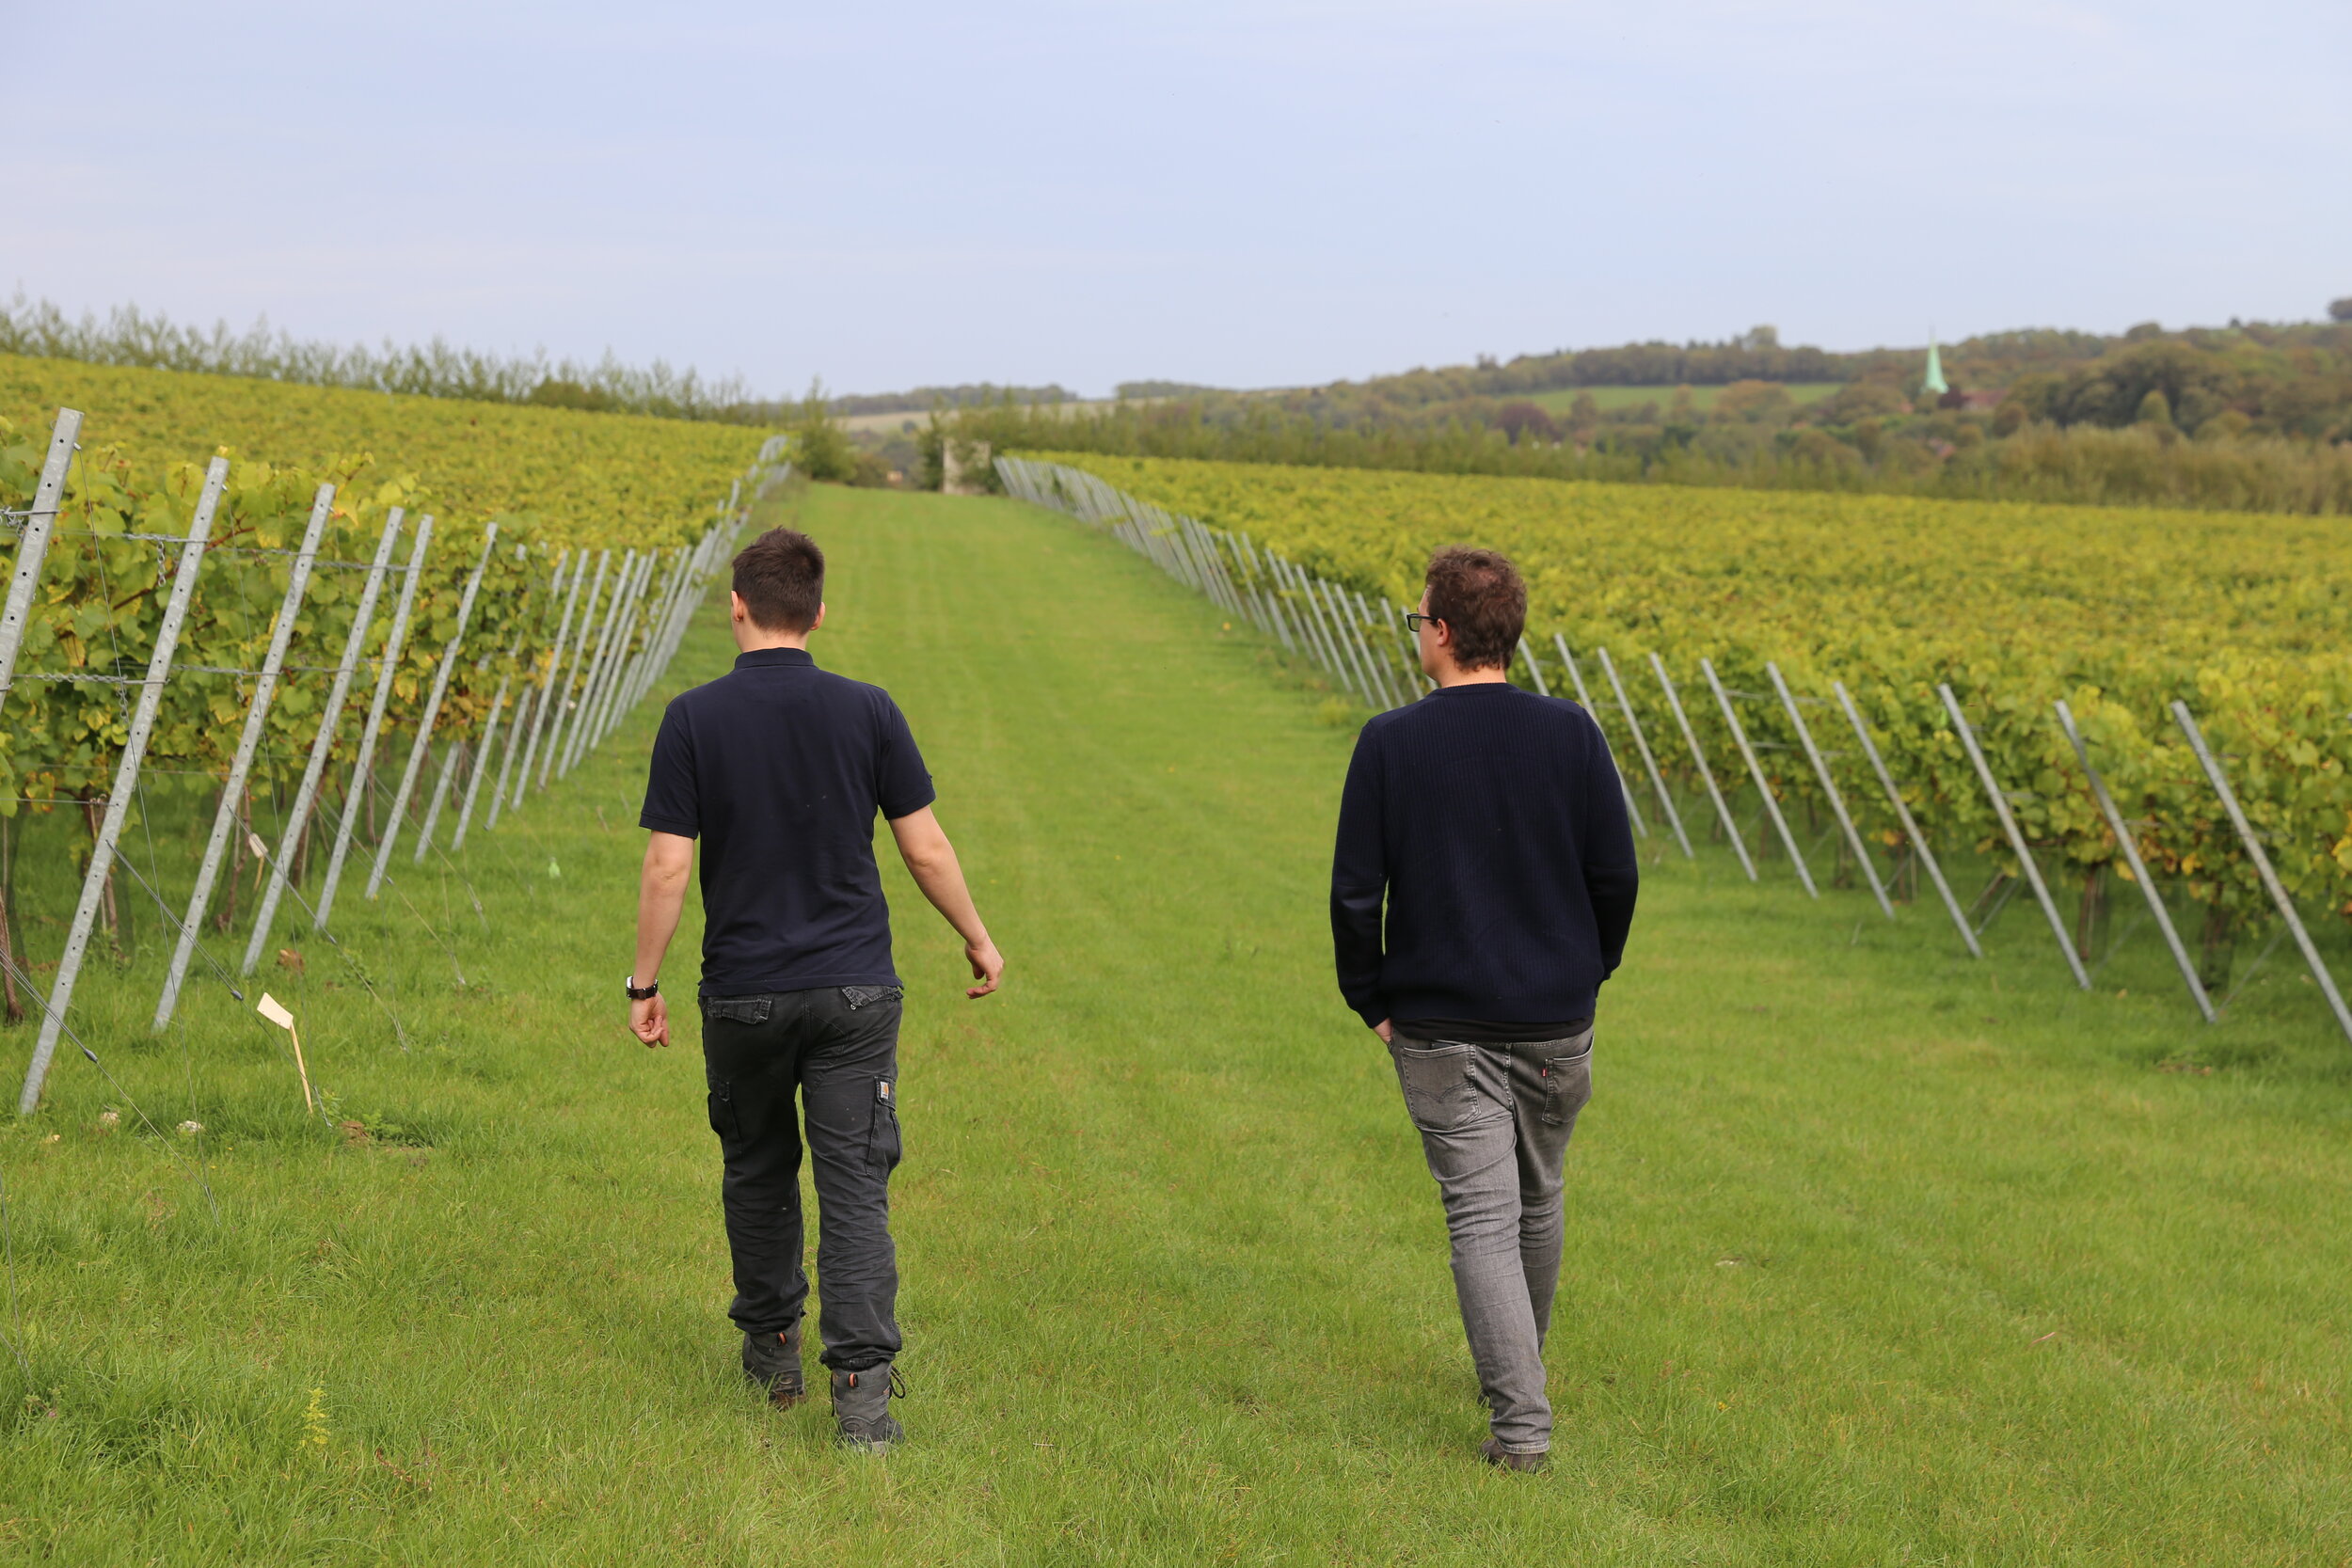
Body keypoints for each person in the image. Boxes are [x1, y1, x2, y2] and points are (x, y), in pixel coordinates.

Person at [628, 525, 1004, 1453]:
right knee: (854, 1187)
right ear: (820, 613)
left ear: (737, 605)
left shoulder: (693, 719)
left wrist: (644, 980)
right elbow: (923, 844)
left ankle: (773, 1350)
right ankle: (866, 1403)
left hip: (744, 995)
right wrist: (976, 935)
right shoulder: (868, 710)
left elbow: (669, 869)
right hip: (854, 996)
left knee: (757, 1170)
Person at [1329, 546, 1638, 1472]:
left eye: (1419, 619)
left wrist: (1369, 998)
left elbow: (1354, 895)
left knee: (1480, 1216)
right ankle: (1519, 1377)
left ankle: (1520, 1426)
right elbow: (1613, 875)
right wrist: (1587, 970)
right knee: (1535, 1200)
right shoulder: (1573, 734)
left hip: (1437, 1024)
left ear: (1447, 632)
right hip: (1554, 1016)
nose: (1415, 634)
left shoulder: (1390, 741)